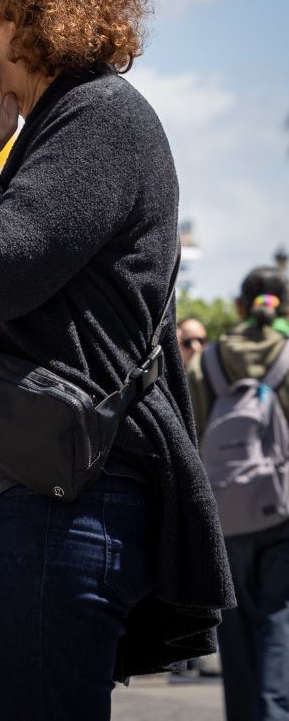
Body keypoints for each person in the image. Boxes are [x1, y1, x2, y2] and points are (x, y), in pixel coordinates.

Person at [0, 0, 231, 720]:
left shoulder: (96, 118)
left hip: (63, 500)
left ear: (19, 13)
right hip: (40, 491)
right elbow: (20, 299)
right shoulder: (57, 129)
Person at [189, 267, 289, 721]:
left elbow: (191, 435)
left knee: (235, 630)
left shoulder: (208, 360)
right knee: (278, 619)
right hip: (282, 510)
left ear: (238, 307)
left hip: (224, 512)